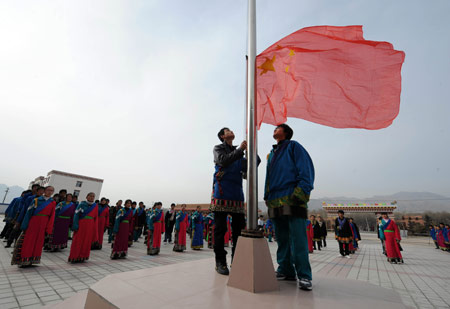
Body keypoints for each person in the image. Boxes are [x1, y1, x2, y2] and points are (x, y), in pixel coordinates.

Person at [264, 124, 314, 291]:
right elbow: (268, 177)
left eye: (278, 128)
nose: (275, 129)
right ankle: (285, 269)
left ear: (286, 132)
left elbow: (306, 169)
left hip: (292, 196)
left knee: (298, 238)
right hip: (275, 199)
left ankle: (305, 275)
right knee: (282, 237)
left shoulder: (294, 146)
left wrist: (301, 192)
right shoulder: (271, 154)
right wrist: (266, 194)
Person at [211, 127, 250, 276]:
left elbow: (250, 166)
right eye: (227, 131)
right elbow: (223, 161)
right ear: (222, 136)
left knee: (238, 230)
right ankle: (220, 261)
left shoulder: (239, 151)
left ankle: (237, 259)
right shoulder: (218, 148)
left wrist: (251, 152)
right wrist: (240, 149)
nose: (231, 132)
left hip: (237, 193)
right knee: (220, 230)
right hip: (221, 191)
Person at [11, 186, 56, 267]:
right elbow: (28, 213)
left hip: (44, 224)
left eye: (52, 191)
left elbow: (52, 217)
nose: (50, 192)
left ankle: (33, 260)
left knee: (38, 242)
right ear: (44, 191)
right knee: (28, 241)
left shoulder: (53, 202)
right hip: (33, 223)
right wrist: (24, 225)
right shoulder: (36, 200)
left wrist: (49, 228)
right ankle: (24, 260)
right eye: (48, 190)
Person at [68, 192, 98, 263]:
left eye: (93, 196)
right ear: (86, 197)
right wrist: (75, 225)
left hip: (90, 225)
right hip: (81, 224)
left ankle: (83, 256)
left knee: (86, 241)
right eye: (90, 196)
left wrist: (94, 228)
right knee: (78, 240)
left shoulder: (95, 206)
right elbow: (76, 215)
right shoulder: (81, 204)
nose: (91, 197)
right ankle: (74, 256)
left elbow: (96, 218)